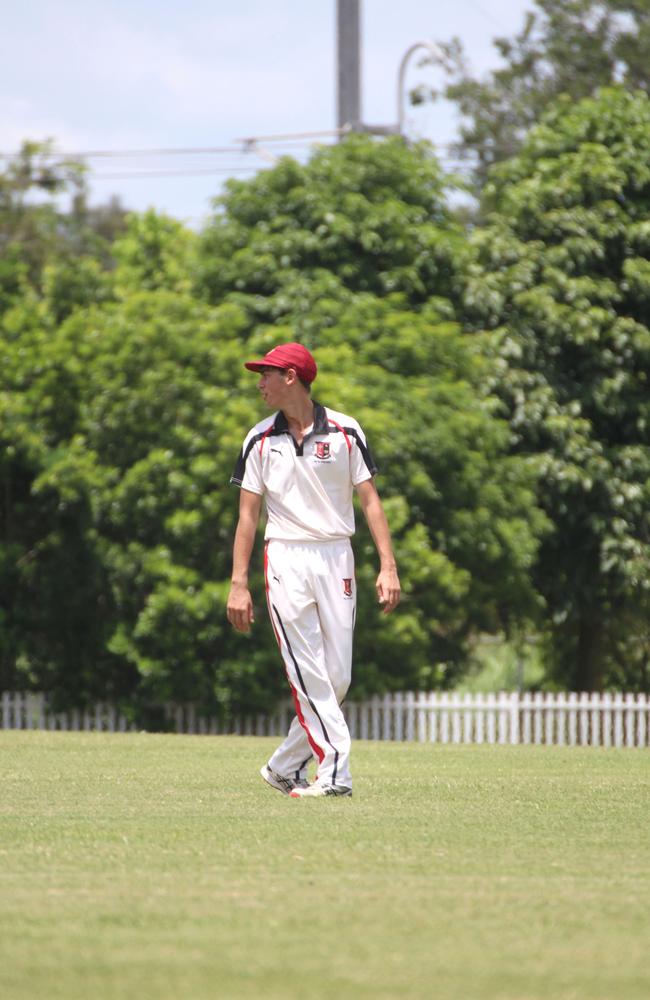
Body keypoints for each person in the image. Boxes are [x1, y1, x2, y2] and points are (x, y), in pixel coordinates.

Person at [226, 342, 400, 798]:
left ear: (292, 377)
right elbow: (248, 517)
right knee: (306, 669)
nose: (259, 383)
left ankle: (283, 766)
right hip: (284, 556)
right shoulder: (259, 439)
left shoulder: (345, 431)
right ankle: (335, 770)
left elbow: (370, 501)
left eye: (266, 374)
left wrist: (388, 566)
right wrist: (238, 584)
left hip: (336, 555)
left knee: (336, 677)